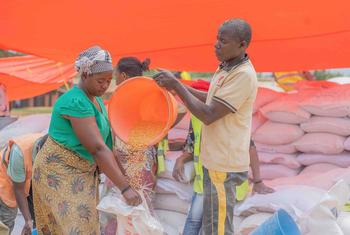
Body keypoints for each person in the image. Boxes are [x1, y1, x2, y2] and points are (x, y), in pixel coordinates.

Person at [154, 18, 257, 234]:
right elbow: (211, 98)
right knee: (212, 225)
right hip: (214, 162)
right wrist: (180, 87)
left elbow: (209, 114)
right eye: (217, 39)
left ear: (242, 44)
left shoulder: (243, 76)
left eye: (223, 41)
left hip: (224, 164)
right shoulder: (226, 68)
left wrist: (177, 87)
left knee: (218, 227)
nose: (216, 45)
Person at [32, 46, 141, 235]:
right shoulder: (75, 102)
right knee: (74, 227)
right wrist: (124, 188)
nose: (105, 86)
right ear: (85, 75)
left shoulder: (97, 101)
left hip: (81, 174)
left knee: (87, 225)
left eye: (109, 81)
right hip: (59, 174)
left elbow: (108, 147)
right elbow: (98, 149)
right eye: (101, 81)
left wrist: (128, 181)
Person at [173, 120, 274, 234]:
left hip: (225, 184)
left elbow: (250, 147)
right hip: (203, 182)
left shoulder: (224, 113)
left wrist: (258, 181)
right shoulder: (195, 116)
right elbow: (191, 145)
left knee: (209, 225)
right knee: (195, 221)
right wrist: (181, 159)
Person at [0, 134, 47, 235]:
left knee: (38, 217)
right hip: (6, 177)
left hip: (28, 179)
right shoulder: (20, 153)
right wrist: (27, 220)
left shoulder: (53, 148)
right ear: (38, 150)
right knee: (7, 219)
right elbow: (19, 190)